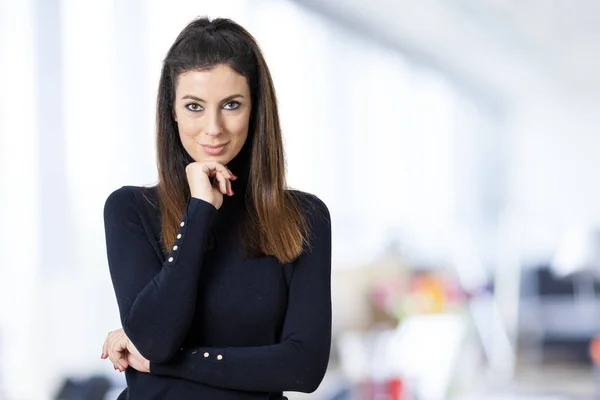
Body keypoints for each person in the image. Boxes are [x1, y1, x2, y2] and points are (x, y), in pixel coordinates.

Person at [100, 16, 332, 400]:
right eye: (194, 106)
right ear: (171, 111)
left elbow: (304, 368)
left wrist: (164, 364)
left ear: (255, 108)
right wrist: (198, 212)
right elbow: (156, 338)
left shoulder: (303, 218)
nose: (213, 127)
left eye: (231, 105)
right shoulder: (129, 209)